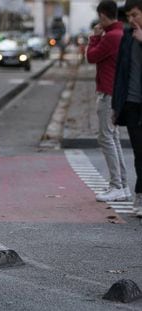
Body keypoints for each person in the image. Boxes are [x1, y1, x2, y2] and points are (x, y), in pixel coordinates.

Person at [86, 0, 131, 202]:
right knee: (113, 138)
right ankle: (122, 184)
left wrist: (94, 38)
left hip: (108, 92)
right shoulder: (119, 34)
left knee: (106, 138)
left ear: (103, 15)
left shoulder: (111, 37)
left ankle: (117, 185)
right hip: (114, 91)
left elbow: (91, 56)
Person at [112, 0, 142, 216]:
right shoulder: (127, 38)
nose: (131, 21)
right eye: (129, 17)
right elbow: (120, 73)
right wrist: (116, 105)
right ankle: (140, 195)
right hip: (132, 103)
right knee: (139, 153)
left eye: (134, 15)